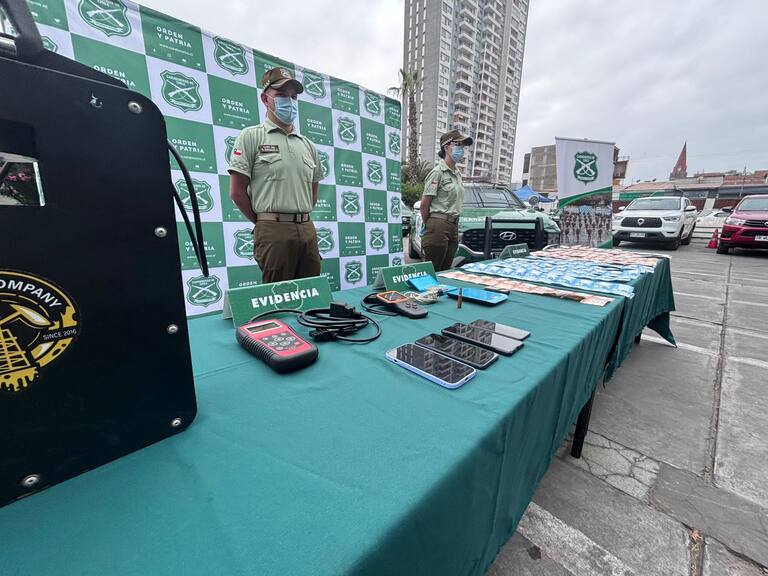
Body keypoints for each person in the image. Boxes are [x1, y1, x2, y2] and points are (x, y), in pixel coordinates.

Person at [228, 67, 323, 283]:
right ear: (265, 98)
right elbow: (237, 192)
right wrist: (264, 223)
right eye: (281, 95)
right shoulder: (251, 137)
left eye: (293, 96)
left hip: (307, 228)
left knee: (312, 294)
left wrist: (300, 217)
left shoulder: (307, 145)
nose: (289, 101)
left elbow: (313, 192)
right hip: (273, 230)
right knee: (277, 297)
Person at [419, 130, 473, 271]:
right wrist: (430, 225)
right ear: (446, 147)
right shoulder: (438, 173)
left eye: (463, 146)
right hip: (438, 224)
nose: (461, 149)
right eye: (458, 144)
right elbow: (424, 204)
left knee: (446, 271)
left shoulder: (457, 174)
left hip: (453, 225)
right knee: (433, 270)